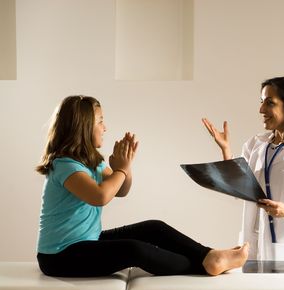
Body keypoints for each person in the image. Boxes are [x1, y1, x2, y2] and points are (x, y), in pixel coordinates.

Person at [36, 95, 248, 277]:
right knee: (133, 250)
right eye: (100, 121)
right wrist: (121, 168)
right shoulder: (64, 165)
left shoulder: (92, 162)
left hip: (87, 240)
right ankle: (205, 265)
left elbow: (121, 190)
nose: (105, 127)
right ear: (82, 126)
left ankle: (208, 255)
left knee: (152, 228)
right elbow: (100, 196)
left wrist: (125, 167)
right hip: (59, 256)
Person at [202, 75, 284, 261]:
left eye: (270, 103)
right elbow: (241, 187)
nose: (261, 109)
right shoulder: (256, 143)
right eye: (261, 102)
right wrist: (226, 150)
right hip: (253, 244)